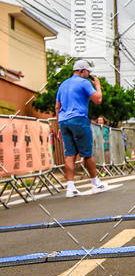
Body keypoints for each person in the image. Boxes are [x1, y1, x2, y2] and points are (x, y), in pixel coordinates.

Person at [55, 60, 107, 197]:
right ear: (81, 71)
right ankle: (95, 183)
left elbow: (57, 107)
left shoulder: (63, 84)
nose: (88, 74)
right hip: (79, 119)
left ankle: (70, 187)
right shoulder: (84, 82)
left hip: (63, 121)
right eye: (87, 72)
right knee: (87, 153)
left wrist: (59, 126)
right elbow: (98, 99)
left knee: (69, 154)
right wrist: (98, 86)